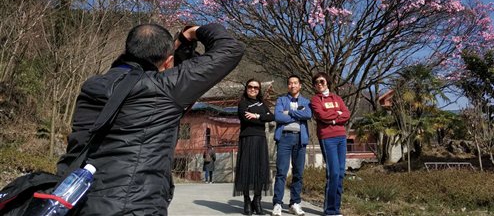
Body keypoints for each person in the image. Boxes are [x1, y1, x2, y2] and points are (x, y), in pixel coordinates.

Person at [56, 23, 244, 215]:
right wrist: (193, 32)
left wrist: (182, 47)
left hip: (75, 200)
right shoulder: (163, 89)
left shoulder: (92, 86)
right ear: (168, 62)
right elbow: (231, 48)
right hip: (135, 206)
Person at [309, 72, 351, 216]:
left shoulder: (337, 98)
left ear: (327, 82)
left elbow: (347, 114)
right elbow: (321, 115)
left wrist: (333, 119)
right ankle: (329, 210)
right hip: (327, 138)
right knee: (332, 173)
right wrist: (337, 114)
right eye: (316, 83)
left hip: (341, 137)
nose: (319, 84)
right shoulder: (315, 100)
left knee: (340, 174)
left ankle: (336, 209)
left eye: (322, 81)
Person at [271, 75, 312, 216]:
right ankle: (277, 203)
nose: (292, 85)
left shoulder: (306, 101)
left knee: (298, 173)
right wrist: (298, 114)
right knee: (281, 172)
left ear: (300, 85)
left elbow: (307, 114)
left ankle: (294, 203)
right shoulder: (281, 100)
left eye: (295, 83)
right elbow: (278, 116)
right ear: (287, 86)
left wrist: (289, 112)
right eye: (290, 83)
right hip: (284, 138)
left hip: (300, 139)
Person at [234, 78, 275, 215]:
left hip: (261, 139)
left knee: (260, 170)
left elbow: (271, 117)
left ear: (259, 90)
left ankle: (257, 201)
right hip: (247, 139)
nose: (253, 89)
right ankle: (247, 200)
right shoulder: (242, 103)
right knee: (246, 169)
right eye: (250, 87)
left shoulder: (262, 103)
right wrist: (261, 117)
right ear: (246, 88)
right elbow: (245, 118)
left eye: (256, 88)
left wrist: (256, 115)